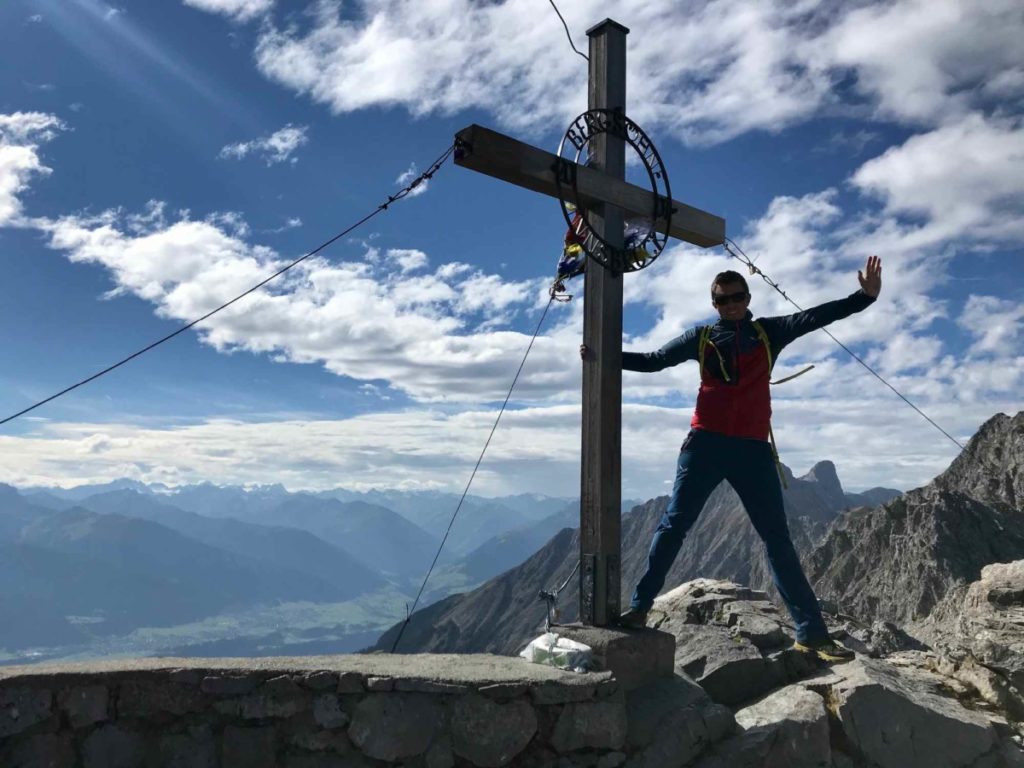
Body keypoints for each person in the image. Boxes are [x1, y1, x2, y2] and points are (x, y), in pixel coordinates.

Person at [610, 255, 882, 662]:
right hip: (705, 445)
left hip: (752, 449)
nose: (731, 304)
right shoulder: (700, 338)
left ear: (749, 297)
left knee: (777, 539)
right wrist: (605, 353)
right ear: (714, 303)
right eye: (723, 300)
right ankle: (640, 607)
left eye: (737, 297)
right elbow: (654, 361)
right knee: (674, 525)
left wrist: (864, 298)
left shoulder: (769, 332)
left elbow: (816, 317)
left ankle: (811, 633)